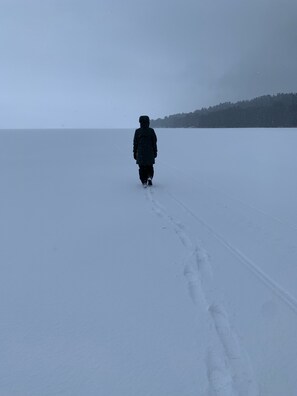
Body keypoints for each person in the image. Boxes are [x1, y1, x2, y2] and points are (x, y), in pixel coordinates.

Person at [133, 115, 157, 187]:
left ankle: (144, 181)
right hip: (150, 152)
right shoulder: (151, 130)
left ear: (140, 122)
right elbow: (154, 142)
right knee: (150, 166)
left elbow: (135, 143)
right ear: (148, 122)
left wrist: (134, 153)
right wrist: (155, 151)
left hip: (141, 152)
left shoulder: (137, 131)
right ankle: (149, 177)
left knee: (142, 167)